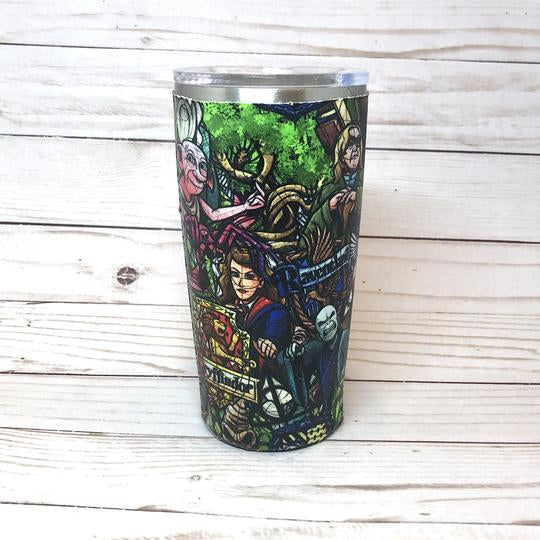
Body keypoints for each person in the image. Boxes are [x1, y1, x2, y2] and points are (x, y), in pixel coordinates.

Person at [302, 124, 364, 243]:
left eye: (358, 144)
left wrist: (358, 196)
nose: (355, 149)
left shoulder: (363, 182)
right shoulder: (328, 189)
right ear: (341, 154)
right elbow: (307, 236)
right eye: (350, 144)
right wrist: (329, 207)